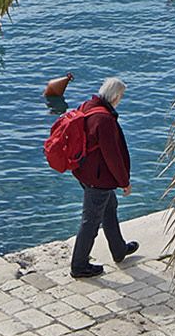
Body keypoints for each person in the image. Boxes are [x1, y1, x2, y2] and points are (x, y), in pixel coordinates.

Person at [58, 76, 138, 278]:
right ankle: (79, 265)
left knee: (109, 208)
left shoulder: (87, 106)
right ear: (116, 96)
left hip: (84, 172)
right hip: (98, 179)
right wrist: (124, 182)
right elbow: (113, 156)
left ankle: (118, 250)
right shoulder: (104, 120)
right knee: (91, 221)